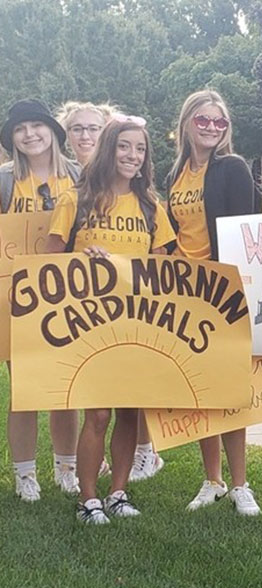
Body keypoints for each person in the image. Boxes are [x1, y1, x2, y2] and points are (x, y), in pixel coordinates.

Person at [45, 115, 177, 523]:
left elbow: (167, 264)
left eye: (140, 149)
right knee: (98, 413)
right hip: (89, 324)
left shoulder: (152, 206)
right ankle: (88, 498)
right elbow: (48, 262)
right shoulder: (76, 199)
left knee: (130, 413)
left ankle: (119, 492)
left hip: (137, 323)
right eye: (124, 146)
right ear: (108, 149)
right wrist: (80, 260)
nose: (132, 156)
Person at [166, 89, 260, 515]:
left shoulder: (233, 168)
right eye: (202, 120)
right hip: (184, 292)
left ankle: (240, 483)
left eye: (219, 122)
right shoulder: (174, 175)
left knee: (229, 388)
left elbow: (247, 230)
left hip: (223, 291)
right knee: (199, 389)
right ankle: (212, 480)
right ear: (187, 122)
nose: (210, 127)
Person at [0, 99, 80, 500]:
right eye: (20, 129)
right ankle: (25, 474)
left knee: (67, 386)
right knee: (24, 388)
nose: (30, 134)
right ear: (12, 138)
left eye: (37, 126)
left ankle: (67, 468)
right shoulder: (5, 180)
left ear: (53, 131)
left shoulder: (80, 177)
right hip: (17, 298)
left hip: (72, 297)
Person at [56, 102, 115, 167]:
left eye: (93, 129)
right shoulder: (58, 172)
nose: (85, 136)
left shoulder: (117, 172)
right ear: (67, 134)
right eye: (77, 129)